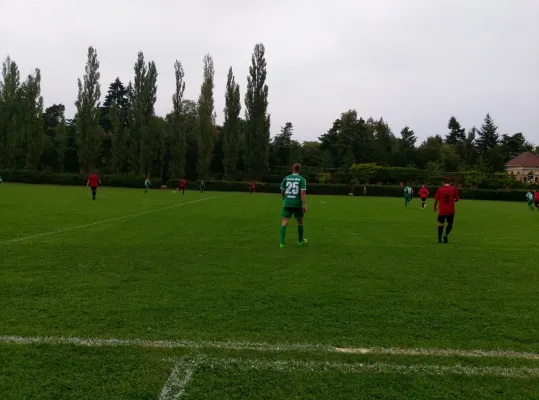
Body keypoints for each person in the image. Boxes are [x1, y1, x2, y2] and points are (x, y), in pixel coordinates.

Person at [279, 163, 308, 248]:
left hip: (287, 203)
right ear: (300, 169)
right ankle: (299, 242)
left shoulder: (286, 178)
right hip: (297, 204)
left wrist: (284, 198)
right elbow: (302, 193)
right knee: (300, 222)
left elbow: (282, 191)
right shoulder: (302, 179)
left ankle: (281, 243)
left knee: (284, 222)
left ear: (292, 169)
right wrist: (305, 205)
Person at [434, 178, 460, 243]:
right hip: (450, 210)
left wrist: (434, 207)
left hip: (442, 210)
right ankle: (445, 235)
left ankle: (439, 239)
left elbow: (436, 200)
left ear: (443, 182)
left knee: (441, 224)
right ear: (450, 182)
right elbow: (457, 199)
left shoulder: (440, 189)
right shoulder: (453, 189)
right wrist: (453, 200)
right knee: (450, 223)